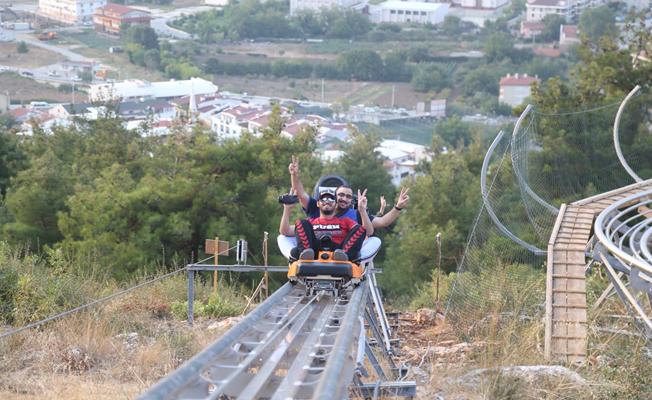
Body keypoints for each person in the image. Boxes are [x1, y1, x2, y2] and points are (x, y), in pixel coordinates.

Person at [288, 155, 410, 229]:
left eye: (348, 197)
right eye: (341, 195)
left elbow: (383, 222)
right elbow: (300, 194)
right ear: (334, 196)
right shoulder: (318, 207)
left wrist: (398, 207)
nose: (344, 199)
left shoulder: (356, 215)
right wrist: (294, 175)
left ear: (352, 200)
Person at [279, 187, 374, 261]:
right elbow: (285, 231)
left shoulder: (345, 221)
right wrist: (287, 208)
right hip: (313, 252)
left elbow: (368, 232)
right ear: (318, 204)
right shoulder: (310, 222)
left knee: (360, 228)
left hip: (338, 252)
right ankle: (306, 254)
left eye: (331, 199)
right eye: (323, 199)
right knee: (301, 222)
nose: (327, 201)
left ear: (336, 204)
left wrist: (362, 211)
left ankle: (344, 256)